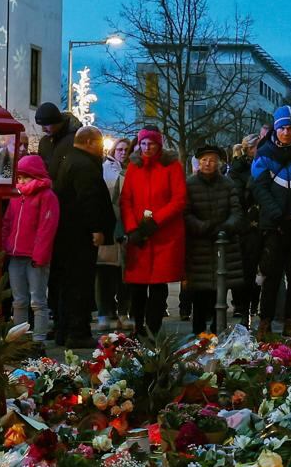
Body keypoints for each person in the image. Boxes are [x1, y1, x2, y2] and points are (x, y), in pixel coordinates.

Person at [250, 107, 291, 337]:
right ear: (275, 129)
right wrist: (278, 216)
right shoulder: (263, 154)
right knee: (271, 274)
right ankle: (265, 320)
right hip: (273, 225)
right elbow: (259, 188)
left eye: (290, 128)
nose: (286, 132)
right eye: (282, 128)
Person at [51, 126, 115, 348]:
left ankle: (64, 330)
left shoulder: (70, 160)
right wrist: (97, 228)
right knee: (80, 284)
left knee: (67, 284)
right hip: (79, 235)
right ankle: (78, 332)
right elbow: (89, 199)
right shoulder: (84, 166)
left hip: (67, 233)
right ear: (89, 142)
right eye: (99, 144)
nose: (101, 149)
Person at [119, 128, 185, 335]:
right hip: (140, 235)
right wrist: (132, 228)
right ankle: (138, 326)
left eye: (152, 144)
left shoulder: (172, 166)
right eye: (144, 144)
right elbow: (126, 199)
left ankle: (153, 327)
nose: (147, 148)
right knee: (137, 285)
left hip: (164, 234)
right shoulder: (133, 167)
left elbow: (179, 199)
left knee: (158, 285)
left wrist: (155, 221)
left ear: (159, 145)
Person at [183, 142, 245, 329]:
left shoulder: (227, 184)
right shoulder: (190, 184)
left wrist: (226, 227)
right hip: (199, 244)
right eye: (204, 160)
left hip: (223, 243)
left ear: (218, 163)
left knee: (220, 288)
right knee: (199, 291)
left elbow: (237, 211)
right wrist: (203, 226)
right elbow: (186, 213)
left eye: (212, 160)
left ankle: (217, 329)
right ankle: (198, 330)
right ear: (198, 163)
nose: (208, 164)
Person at [2, 154, 59, 341]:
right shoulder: (16, 197)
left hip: (34, 257)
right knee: (19, 300)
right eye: (19, 177)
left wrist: (40, 255)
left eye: (26, 176)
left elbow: (46, 228)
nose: (22, 181)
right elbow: (7, 223)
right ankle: (20, 338)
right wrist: (5, 246)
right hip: (16, 254)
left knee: (38, 301)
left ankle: (39, 339)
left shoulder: (46, 196)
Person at [97, 136, 130, 331]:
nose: (123, 152)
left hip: (127, 228)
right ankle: (104, 313)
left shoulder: (133, 170)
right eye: (120, 149)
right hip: (109, 227)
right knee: (105, 275)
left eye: (127, 149)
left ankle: (123, 313)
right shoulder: (105, 169)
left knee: (125, 276)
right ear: (113, 151)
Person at [33, 101, 83, 181]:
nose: (43, 129)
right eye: (41, 126)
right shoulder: (44, 142)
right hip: (47, 191)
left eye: (46, 125)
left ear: (56, 121)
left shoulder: (75, 140)